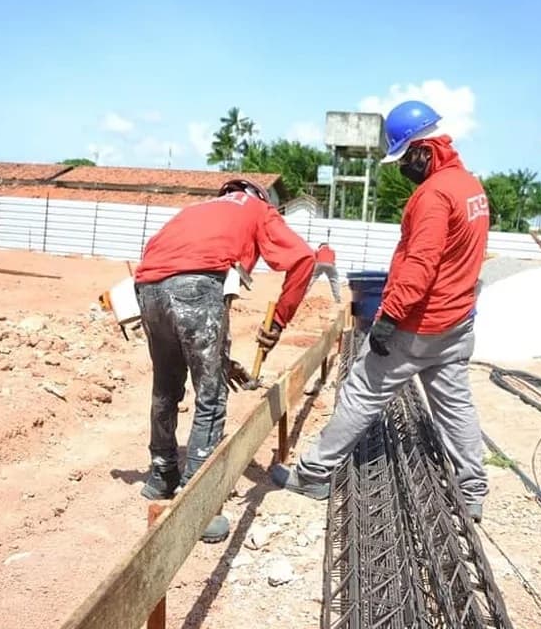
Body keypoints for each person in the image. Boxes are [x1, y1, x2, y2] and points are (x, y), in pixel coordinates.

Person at [271, 100, 493, 522]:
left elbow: (421, 263)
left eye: (405, 158)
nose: (403, 169)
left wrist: (389, 316)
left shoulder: (433, 195)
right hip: (458, 321)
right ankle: (472, 491)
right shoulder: (471, 188)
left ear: (423, 150)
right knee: (455, 404)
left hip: (420, 324)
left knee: (362, 392)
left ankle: (314, 474)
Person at [133, 177, 315, 542]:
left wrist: (222, 359)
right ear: (261, 199)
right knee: (211, 397)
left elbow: (166, 268)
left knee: (166, 387)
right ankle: (197, 505)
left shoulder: (195, 211)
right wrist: (279, 320)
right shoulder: (258, 210)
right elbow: (304, 258)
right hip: (197, 285)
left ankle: (160, 476)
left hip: (147, 289)